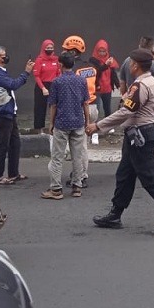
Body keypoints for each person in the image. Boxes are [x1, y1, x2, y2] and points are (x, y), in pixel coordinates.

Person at [86, 49, 154, 236]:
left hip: (139, 136)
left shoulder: (139, 86)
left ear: (136, 65)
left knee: (150, 179)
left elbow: (126, 112)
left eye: (131, 62)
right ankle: (115, 214)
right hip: (138, 135)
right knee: (124, 175)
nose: (129, 65)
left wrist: (98, 126)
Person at [42, 51, 91, 200]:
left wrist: (51, 123)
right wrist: (87, 121)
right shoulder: (81, 81)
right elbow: (85, 103)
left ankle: (56, 189)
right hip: (78, 123)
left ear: (60, 65)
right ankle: (77, 186)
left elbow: (53, 105)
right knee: (77, 156)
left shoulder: (57, 82)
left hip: (62, 123)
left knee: (57, 157)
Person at [0, 44, 34, 185]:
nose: (6, 57)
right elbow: (13, 84)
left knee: (15, 144)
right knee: (2, 145)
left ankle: (14, 173)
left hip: (9, 112)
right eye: (3, 55)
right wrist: (26, 73)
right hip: (2, 113)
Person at [64, 35, 97, 188]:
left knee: (80, 145)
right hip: (93, 106)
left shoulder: (73, 69)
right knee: (83, 143)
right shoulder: (90, 67)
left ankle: (81, 175)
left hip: (81, 108)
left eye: (66, 50)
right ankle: (78, 172)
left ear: (72, 51)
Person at [32, 40, 60, 133]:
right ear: (44, 48)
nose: (50, 50)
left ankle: (55, 128)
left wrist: (57, 85)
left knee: (55, 107)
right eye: (48, 48)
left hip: (54, 85)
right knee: (40, 108)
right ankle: (40, 130)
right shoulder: (39, 60)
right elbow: (36, 75)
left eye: (51, 48)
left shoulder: (56, 59)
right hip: (42, 86)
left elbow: (58, 73)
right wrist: (43, 88)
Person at [90, 39, 120, 118]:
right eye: (100, 51)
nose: (102, 53)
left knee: (107, 108)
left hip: (107, 87)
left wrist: (118, 85)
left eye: (104, 51)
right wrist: (106, 65)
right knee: (96, 109)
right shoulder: (92, 60)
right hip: (97, 88)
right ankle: (93, 126)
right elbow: (96, 71)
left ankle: (108, 126)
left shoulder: (109, 59)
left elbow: (113, 73)